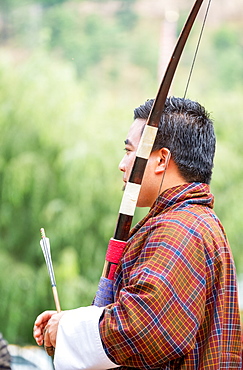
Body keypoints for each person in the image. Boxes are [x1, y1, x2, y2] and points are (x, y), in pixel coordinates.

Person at [33, 97, 242, 369]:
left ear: (161, 160)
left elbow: (145, 327)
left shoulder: (180, 228)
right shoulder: (189, 221)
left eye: (129, 151)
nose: (122, 164)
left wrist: (70, 327)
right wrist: (69, 325)